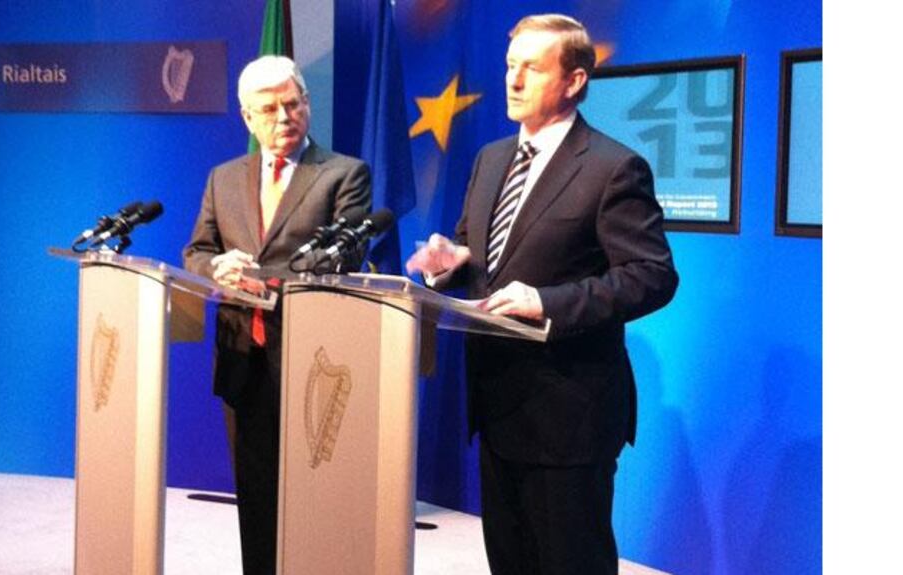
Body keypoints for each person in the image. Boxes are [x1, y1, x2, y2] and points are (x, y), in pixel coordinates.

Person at [406, 14, 678, 575]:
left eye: (531, 68)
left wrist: (548, 304)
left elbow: (651, 276)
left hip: (570, 418)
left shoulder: (613, 167)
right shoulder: (490, 160)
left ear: (574, 80)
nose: (513, 80)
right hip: (499, 405)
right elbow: (480, 257)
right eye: (511, 66)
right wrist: (449, 265)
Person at [183, 55, 371, 575]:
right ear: (248, 118)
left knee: (316, 494)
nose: (283, 117)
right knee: (256, 494)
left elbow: (345, 257)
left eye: (292, 104)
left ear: (307, 104)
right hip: (243, 356)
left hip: (314, 360)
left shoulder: (343, 174)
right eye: (269, 109)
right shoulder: (223, 179)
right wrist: (216, 265)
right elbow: (196, 251)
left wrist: (264, 278)